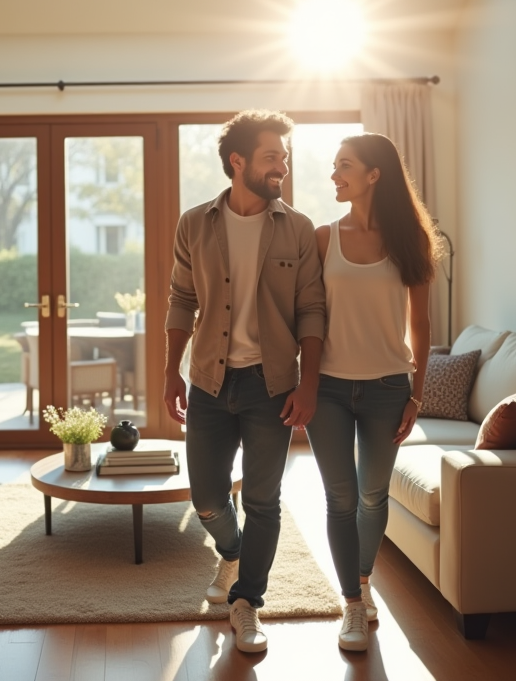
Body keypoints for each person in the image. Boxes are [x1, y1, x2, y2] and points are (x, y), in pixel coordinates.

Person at [163, 109, 325, 654]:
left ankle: (247, 602)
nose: (283, 165)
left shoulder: (298, 228)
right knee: (207, 495)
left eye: (285, 156)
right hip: (208, 380)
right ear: (238, 161)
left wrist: (309, 384)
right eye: (272, 156)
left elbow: (311, 310)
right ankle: (229, 552)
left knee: (263, 499)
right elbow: (181, 299)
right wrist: (170, 372)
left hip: (272, 384)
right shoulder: (195, 222)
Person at [306, 132, 440, 652]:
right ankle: (354, 604)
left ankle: (363, 581)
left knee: (371, 494)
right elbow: (309, 317)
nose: (335, 175)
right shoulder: (323, 238)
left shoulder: (411, 241)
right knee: (340, 498)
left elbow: (422, 326)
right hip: (331, 390)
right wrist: (307, 381)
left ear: (373, 174)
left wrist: (416, 396)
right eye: (334, 165)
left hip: (389, 388)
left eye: (344, 165)